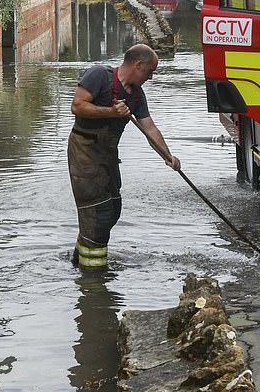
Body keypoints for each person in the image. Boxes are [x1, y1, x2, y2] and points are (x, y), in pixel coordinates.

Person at [67, 44, 181, 269]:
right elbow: (77, 106)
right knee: (99, 211)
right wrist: (110, 112)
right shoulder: (99, 75)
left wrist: (168, 156)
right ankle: (94, 278)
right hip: (84, 153)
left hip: (108, 156)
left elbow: (150, 129)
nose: (151, 77)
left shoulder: (136, 96)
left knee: (113, 207)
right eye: (150, 72)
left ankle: (79, 257)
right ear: (138, 65)